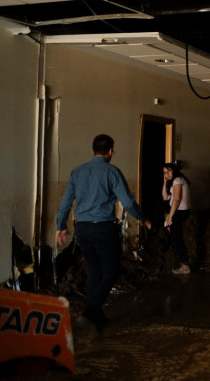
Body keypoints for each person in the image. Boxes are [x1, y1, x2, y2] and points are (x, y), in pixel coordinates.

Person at [56, 134, 151, 328]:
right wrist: (142, 218)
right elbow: (127, 201)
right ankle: (90, 311)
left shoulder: (77, 172)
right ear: (109, 152)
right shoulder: (112, 172)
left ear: (93, 150)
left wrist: (60, 226)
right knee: (111, 271)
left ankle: (95, 315)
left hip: (82, 229)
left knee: (95, 270)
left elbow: (66, 203)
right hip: (103, 229)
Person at [162, 163, 192, 275]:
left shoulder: (177, 180)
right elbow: (165, 197)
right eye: (165, 172)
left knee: (176, 238)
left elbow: (177, 199)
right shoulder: (174, 181)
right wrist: (164, 182)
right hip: (178, 210)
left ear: (174, 171)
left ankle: (185, 265)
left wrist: (170, 217)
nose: (167, 174)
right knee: (161, 203)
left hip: (180, 211)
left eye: (169, 171)